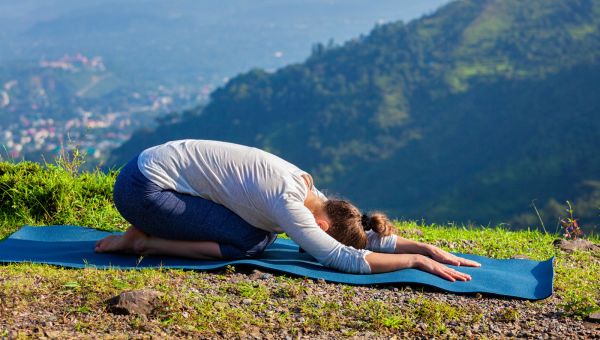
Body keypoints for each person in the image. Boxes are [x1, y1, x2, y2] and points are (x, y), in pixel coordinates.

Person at [95, 139, 480, 281]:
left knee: (259, 233)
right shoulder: (289, 203)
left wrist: (424, 247)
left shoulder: (312, 190)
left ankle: (146, 234)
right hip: (143, 190)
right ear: (319, 224)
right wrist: (415, 263)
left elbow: (362, 235)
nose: (303, 243)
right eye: (308, 238)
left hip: (151, 167)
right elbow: (345, 258)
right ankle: (143, 240)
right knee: (249, 242)